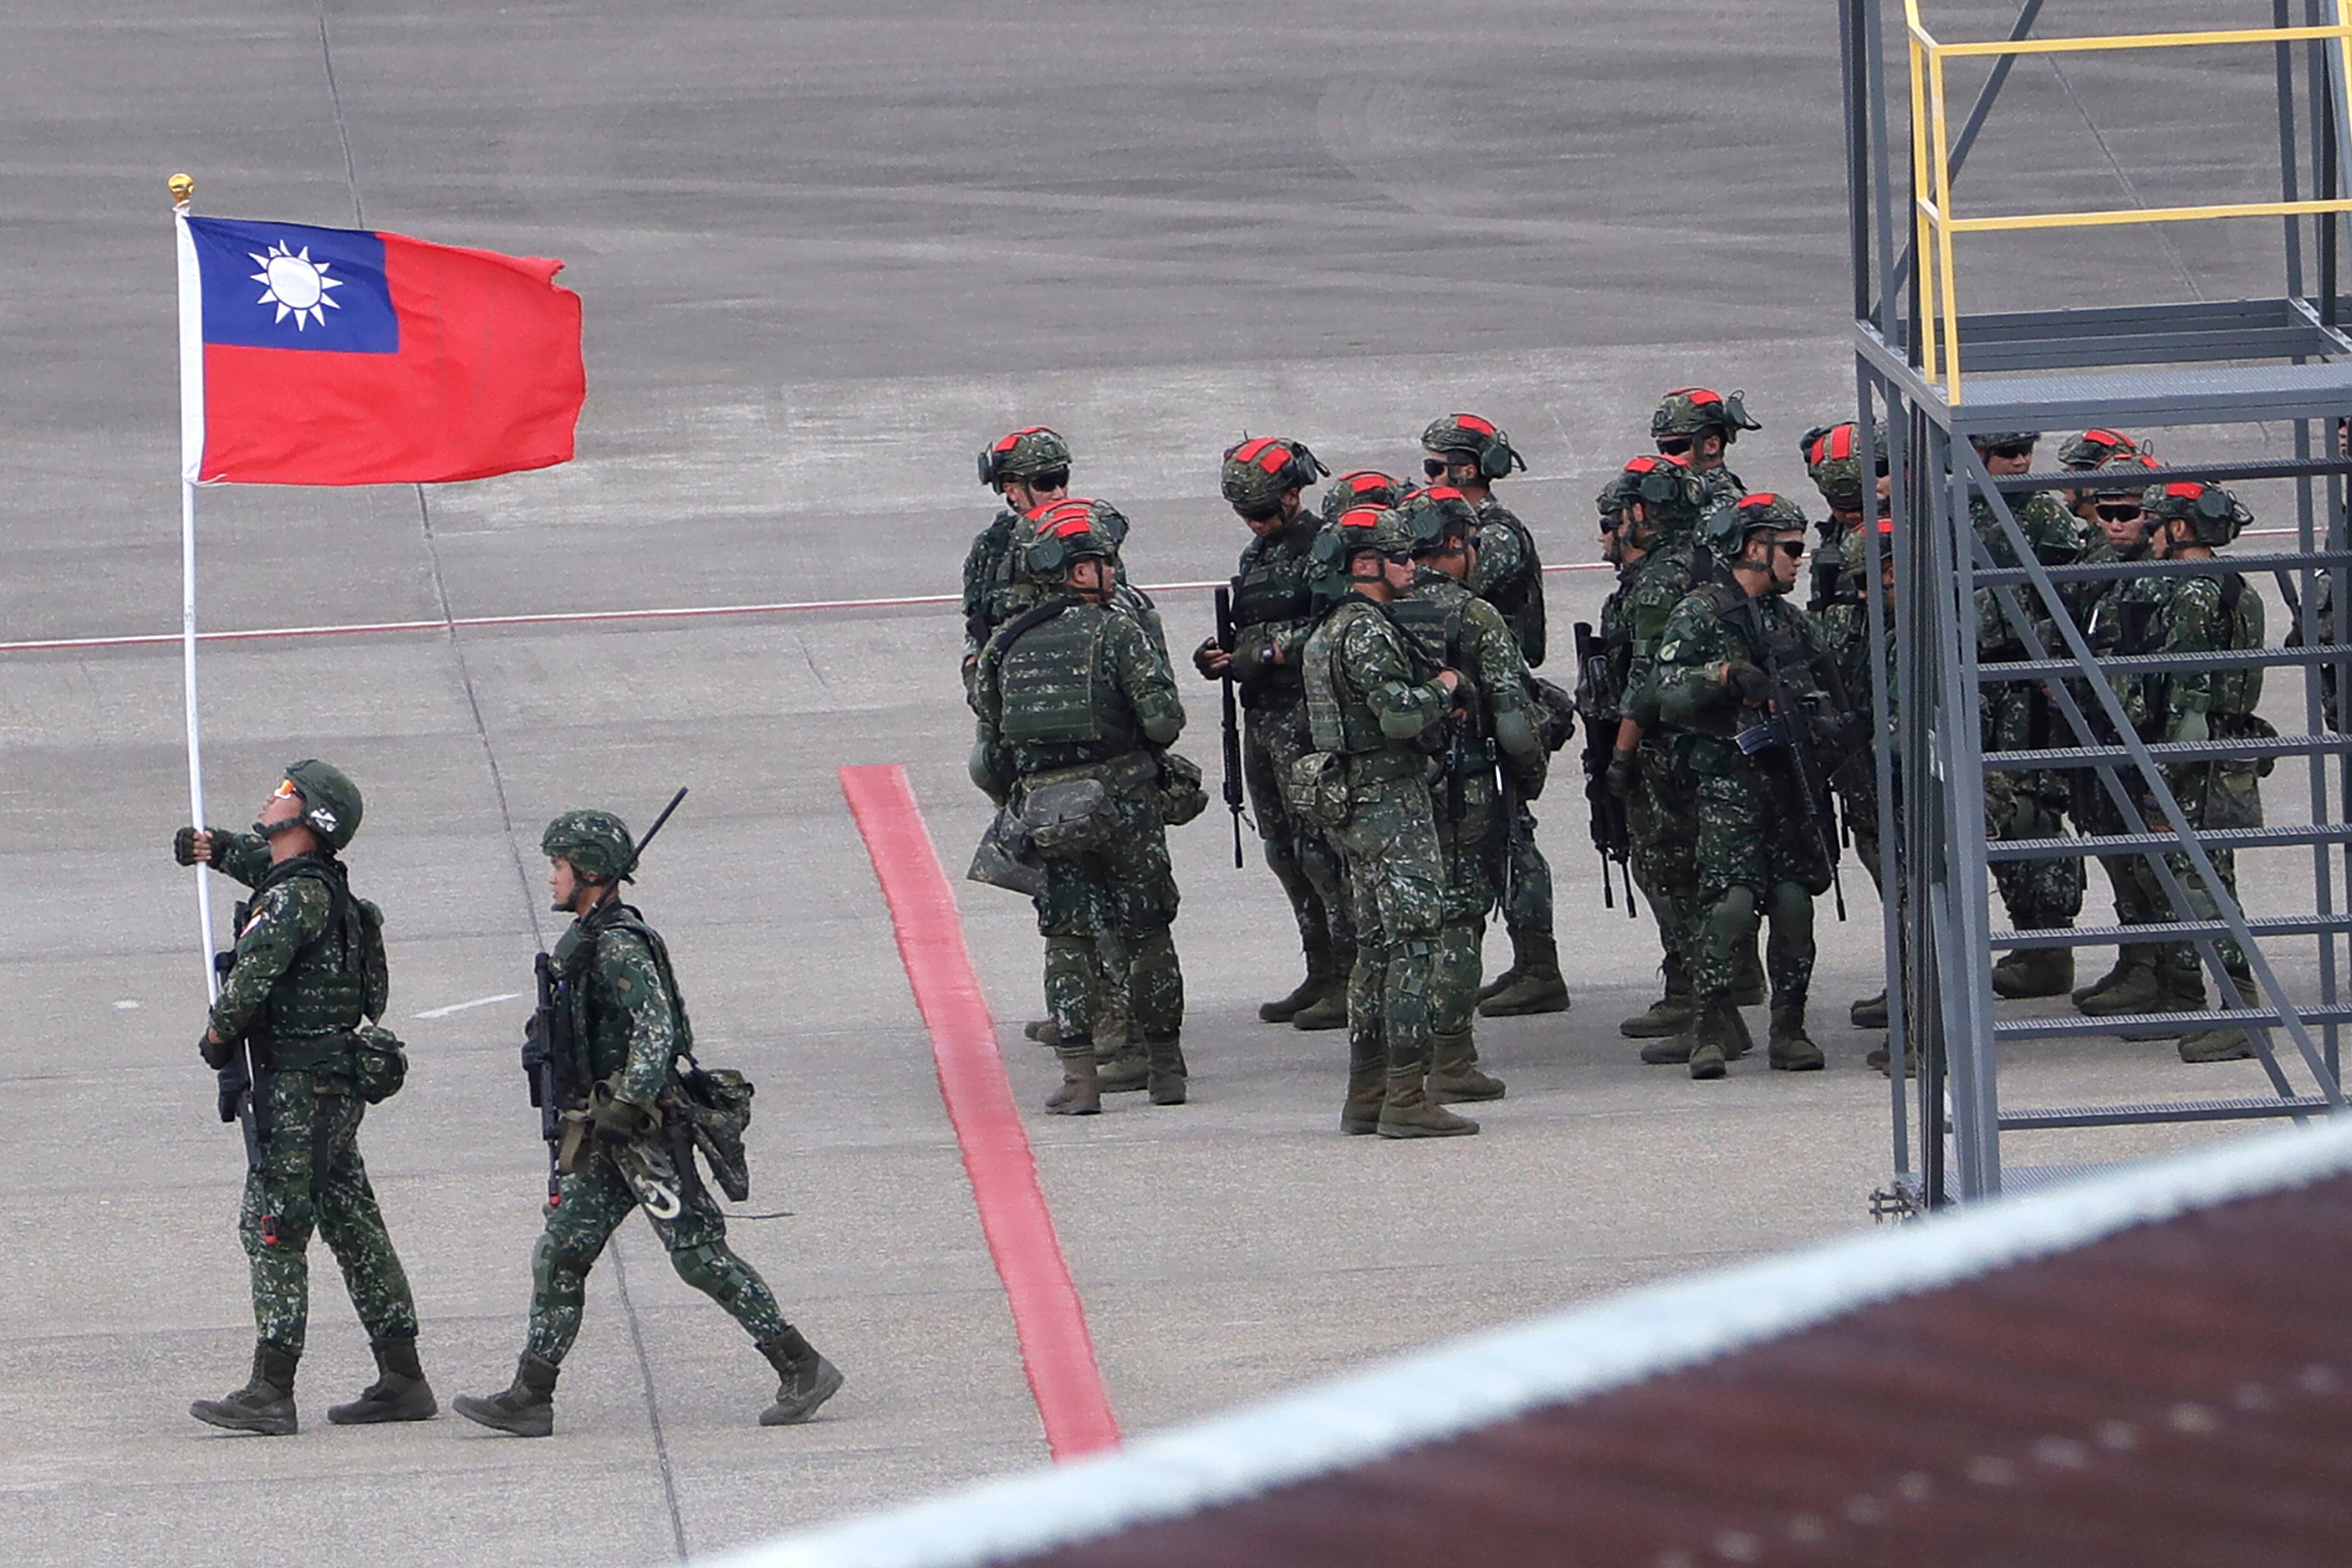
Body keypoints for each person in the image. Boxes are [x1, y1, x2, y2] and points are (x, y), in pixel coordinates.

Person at [456, 811, 842, 1436]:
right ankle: (531, 1394)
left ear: (590, 873)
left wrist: (627, 1103)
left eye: (559, 867)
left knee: (698, 1256)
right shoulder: (590, 938)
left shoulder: (617, 945)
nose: (551, 877)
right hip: (604, 1130)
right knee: (561, 1252)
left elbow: (657, 1031)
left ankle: (802, 1365)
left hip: (641, 1131)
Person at [175, 760, 430, 1435]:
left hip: (299, 1089)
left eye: (288, 793)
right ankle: (402, 1374)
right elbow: (265, 864)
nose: (274, 794)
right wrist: (216, 847)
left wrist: (217, 1033)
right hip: (329, 1087)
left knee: (273, 1226)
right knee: (351, 1220)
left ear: (310, 820)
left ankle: (272, 1388)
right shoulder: (312, 886)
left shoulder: (293, 900)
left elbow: (252, 979)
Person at [973, 498, 1189, 1113]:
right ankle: (1166, 1068)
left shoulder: (1007, 645)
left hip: (1050, 810)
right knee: (1148, 932)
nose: (1110, 573)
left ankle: (1080, 1079)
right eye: (1098, 565)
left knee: (1067, 938)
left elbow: (993, 745)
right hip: (1125, 804)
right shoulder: (1120, 630)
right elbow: (1165, 720)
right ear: (1073, 572)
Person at [1652, 495, 1849, 1078]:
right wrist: (1722, 676)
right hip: (1726, 782)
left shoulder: (1792, 623)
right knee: (1730, 906)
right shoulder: (1700, 615)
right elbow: (1664, 691)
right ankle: (1709, 1024)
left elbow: (1833, 695)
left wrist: (1826, 729)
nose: (1799, 559)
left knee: (1792, 905)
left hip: (1789, 783)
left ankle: (1789, 1027)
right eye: (1789, 548)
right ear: (1752, 549)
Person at [1302, 507, 1478, 1137]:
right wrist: (1447, 687)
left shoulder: (1326, 631)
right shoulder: (1369, 633)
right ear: (1365, 565)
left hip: (1354, 804)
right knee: (1413, 946)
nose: (1414, 567)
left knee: (1374, 950)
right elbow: (1399, 718)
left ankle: (1367, 1092)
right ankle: (1406, 1094)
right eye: (1402, 558)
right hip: (1390, 802)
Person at [2089, 482, 2268, 1063]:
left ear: (2181, 530)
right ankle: (2181, 991)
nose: (2146, 529)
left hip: (2190, 756)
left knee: (2202, 883)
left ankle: (2240, 1012)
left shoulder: (2192, 591)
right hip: (2208, 749)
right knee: (2181, 875)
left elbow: (2187, 688)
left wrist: (2165, 767)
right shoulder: (2227, 587)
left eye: (2156, 522)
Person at [1392, 486, 1549, 1102]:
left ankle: (1398, 1057)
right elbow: (1514, 718)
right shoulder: (1474, 615)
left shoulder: (1378, 612)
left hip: (1398, 793)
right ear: (1456, 545)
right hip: (1466, 788)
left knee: (1401, 926)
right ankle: (1451, 1060)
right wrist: (1530, 774)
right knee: (1459, 919)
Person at [1193, 438, 1351, 1029]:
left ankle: (1349, 971)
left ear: (1293, 494)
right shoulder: (1257, 557)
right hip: (1262, 717)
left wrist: (1267, 650)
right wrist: (1220, 656)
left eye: (1262, 512)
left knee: (1322, 852)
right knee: (1283, 851)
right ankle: (1320, 968)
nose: (1255, 524)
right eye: (1245, 516)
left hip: (1307, 717)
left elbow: (1338, 627)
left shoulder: (1324, 549)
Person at [1602, 453, 1754, 1049]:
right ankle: (1706, 994)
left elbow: (1645, 683)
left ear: (1643, 512)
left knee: (1667, 871)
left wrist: (1618, 758)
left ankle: (1700, 1004)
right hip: (1708, 741)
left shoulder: (1659, 581)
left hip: (1668, 748)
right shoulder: (1703, 562)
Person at [1420, 414, 1565, 1015]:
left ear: (1468, 468)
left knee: (1512, 834)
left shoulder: (1493, 534)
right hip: (1468, 695)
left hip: (1496, 694)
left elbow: (1460, 592)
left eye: (1436, 467)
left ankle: (1538, 964)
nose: (1426, 477)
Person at [1970, 430, 2099, 1000]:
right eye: (2006, 453)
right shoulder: (1960, 504)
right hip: (1981, 678)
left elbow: (2065, 598)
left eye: (2025, 449)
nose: (2019, 460)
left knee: (2034, 808)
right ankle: (2030, 938)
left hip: (2024, 677)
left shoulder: (2042, 514)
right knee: (1996, 808)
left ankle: (2050, 945)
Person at [1800, 421, 1894, 1028]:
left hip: (1897, 739)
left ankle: (1923, 988)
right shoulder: (1844, 542)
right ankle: (1913, 979)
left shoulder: (1904, 549)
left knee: (1904, 870)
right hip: (1859, 729)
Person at [963, 426, 1073, 698]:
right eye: (1046, 483)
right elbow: (977, 625)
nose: (1059, 493)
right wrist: (975, 679)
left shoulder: (1085, 537)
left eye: (1063, 479)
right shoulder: (991, 549)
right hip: (1014, 704)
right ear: (1013, 492)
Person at [1651, 386, 1761, 510]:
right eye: (1661, 447)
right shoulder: (1672, 491)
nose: (1665, 457)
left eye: (1676, 447)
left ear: (1711, 446)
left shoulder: (1725, 506)